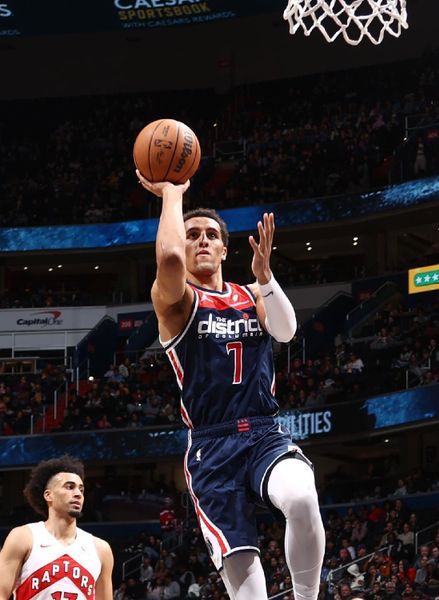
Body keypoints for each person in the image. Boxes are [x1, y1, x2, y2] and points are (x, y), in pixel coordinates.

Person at [138, 170, 325, 600]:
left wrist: (265, 276)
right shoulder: (178, 302)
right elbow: (167, 261)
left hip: (263, 432)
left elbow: (286, 332)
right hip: (211, 448)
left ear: (225, 248)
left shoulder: (251, 294)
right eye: (192, 235)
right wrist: (171, 194)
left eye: (210, 235)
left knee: (300, 498)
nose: (201, 240)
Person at [0, 455, 114, 600]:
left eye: (81, 490)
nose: (78, 494)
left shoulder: (101, 549)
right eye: (70, 487)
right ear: (48, 495)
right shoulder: (24, 538)